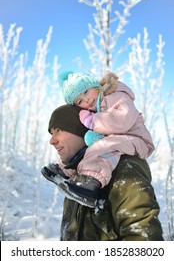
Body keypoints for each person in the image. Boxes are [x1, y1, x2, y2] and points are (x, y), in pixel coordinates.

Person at [42, 104, 164, 241]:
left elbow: (143, 239)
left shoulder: (123, 167)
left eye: (58, 130)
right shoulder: (78, 176)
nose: (52, 140)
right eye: (51, 133)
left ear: (80, 130)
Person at [45, 70, 155, 207]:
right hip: (119, 139)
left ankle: (90, 183)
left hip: (136, 138)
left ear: (96, 86)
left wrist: (94, 121)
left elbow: (122, 121)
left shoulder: (117, 96)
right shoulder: (96, 108)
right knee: (89, 148)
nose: (87, 100)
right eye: (80, 101)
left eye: (86, 92)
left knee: (101, 147)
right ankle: (65, 170)